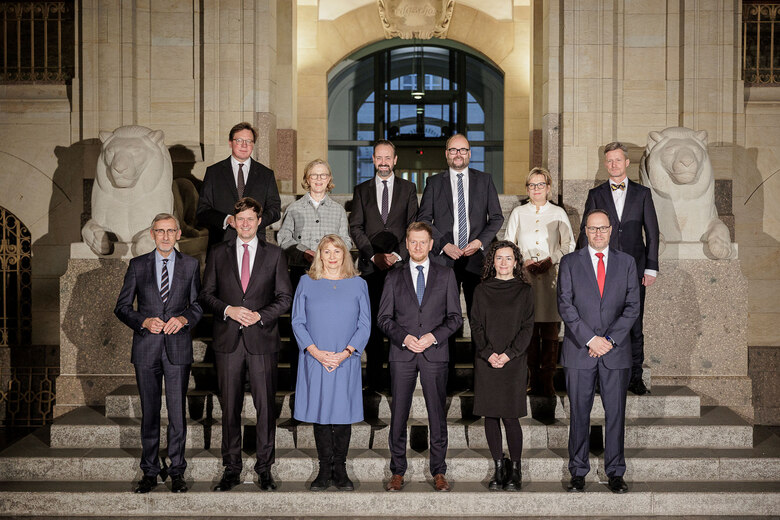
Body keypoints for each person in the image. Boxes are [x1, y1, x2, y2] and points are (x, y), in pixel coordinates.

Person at [199, 197, 293, 492]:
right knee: (230, 407)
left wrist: (259, 316)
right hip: (228, 341)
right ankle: (232, 468)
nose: (245, 224)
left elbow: (284, 298)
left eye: (250, 219)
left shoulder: (275, 255)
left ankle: (265, 468)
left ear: (259, 221)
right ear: (234, 222)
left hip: (262, 340)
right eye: (240, 219)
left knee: (265, 408)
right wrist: (228, 310)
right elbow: (206, 294)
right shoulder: (217, 253)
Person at [114, 213, 203, 494]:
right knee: (150, 413)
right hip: (146, 349)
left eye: (170, 231)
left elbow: (199, 304)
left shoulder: (190, 265)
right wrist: (144, 321)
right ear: (152, 234)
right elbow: (122, 306)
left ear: (179, 234)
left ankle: (177, 471)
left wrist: (184, 319)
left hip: (177, 348)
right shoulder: (138, 266)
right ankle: (150, 471)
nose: (165, 236)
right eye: (160, 231)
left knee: (177, 415)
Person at [558, 209, 640, 494]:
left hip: (615, 353)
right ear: (585, 230)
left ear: (611, 229)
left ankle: (615, 472)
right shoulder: (569, 262)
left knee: (615, 414)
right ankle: (578, 471)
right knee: (579, 413)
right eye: (592, 229)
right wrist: (591, 339)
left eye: (602, 228)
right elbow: (565, 305)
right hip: (580, 351)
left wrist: (609, 341)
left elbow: (632, 307)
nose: (598, 234)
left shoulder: (627, 262)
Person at [377, 222, 463, 492]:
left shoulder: (446, 275)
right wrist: (404, 337)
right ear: (407, 243)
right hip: (402, 353)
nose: (417, 247)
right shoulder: (393, 276)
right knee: (399, 414)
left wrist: (432, 337)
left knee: (437, 414)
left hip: (435, 353)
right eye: (412, 242)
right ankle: (398, 471)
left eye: (422, 242)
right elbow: (384, 318)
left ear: (430, 244)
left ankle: (439, 471)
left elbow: (455, 318)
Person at [417, 133, 504, 387]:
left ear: (469, 153)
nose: (458, 154)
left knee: (479, 319)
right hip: (445, 262)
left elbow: (496, 218)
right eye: (453, 150)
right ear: (446, 154)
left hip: (477, 260)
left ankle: (482, 378)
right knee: (447, 320)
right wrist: (444, 245)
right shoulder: (434, 182)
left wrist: (479, 242)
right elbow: (424, 219)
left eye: (463, 150)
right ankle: (448, 376)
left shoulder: (484, 180)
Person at [577, 142, 659, 395]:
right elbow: (585, 231)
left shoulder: (643, 193)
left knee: (634, 324)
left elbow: (653, 232)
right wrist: (581, 268)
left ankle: (635, 378)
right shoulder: (596, 193)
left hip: (635, 269)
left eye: (617, 160)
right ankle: (601, 378)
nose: (613, 164)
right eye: (609, 161)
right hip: (604, 268)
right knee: (602, 323)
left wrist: (651, 268)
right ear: (606, 164)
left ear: (626, 163)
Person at [291, 235, 370, 492]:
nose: (333, 256)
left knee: (342, 414)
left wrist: (345, 353)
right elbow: (297, 321)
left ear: (345, 254)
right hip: (315, 358)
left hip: (346, 359)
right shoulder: (306, 282)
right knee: (322, 413)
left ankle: (341, 470)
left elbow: (365, 324)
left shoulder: (358, 284)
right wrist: (316, 352)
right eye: (327, 251)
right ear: (319, 255)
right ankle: (324, 470)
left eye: (338, 251)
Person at [349, 140, 418, 390]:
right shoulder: (362, 190)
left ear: (395, 160)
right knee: (375, 323)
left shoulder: (409, 189)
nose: (384, 162)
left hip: (400, 267)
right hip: (371, 268)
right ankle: (375, 379)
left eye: (388, 157)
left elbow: (413, 227)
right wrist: (372, 255)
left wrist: (397, 255)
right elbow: (355, 226)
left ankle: (400, 378)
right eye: (379, 157)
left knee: (400, 322)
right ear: (373, 159)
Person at [504, 168, 575, 396]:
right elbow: (508, 244)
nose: (536, 189)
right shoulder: (518, 212)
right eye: (532, 185)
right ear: (527, 189)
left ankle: (548, 380)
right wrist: (522, 261)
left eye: (540, 184)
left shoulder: (558, 213)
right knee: (529, 332)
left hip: (551, 279)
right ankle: (532, 378)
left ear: (549, 187)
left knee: (551, 332)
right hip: (525, 280)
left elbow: (569, 245)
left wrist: (551, 259)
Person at [470, 240, 534, 491]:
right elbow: (475, 325)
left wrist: (508, 354)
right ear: (492, 262)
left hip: (513, 361)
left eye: (509, 258)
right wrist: (488, 353)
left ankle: (515, 469)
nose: (504, 263)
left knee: (510, 416)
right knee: (490, 414)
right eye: (499, 258)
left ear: (516, 262)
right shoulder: (481, 289)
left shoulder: (525, 290)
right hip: (486, 360)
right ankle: (499, 467)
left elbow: (528, 327)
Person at [197, 122, 282, 248]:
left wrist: (255, 222)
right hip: (222, 243)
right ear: (230, 142)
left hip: (256, 243)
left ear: (253, 145)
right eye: (239, 140)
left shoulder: (266, 174)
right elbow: (202, 210)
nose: (244, 145)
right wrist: (227, 220)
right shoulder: (214, 172)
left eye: (249, 141)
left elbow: (275, 209)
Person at [277, 159, 352, 290]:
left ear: (329, 179)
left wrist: (332, 256)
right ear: (307, 179)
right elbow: (284, 239)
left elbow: (346, 240)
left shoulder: (338, 210)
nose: (319, 179)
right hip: (301, 271)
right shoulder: (294, 208)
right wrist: (304, 252)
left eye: (323, 175)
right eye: (314, 175)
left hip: (332, 273)